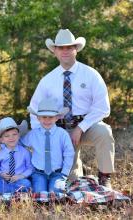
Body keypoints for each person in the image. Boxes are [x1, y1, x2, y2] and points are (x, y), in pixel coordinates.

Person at [29, 29, 115, 188]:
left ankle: (104, 177)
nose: (65, 51)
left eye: (69, 47)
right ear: (54, 51)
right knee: (70, 182)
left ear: (76, 49)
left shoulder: (91, 74)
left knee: (105, 132)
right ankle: (78, 170)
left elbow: (103, 107)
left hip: (87, 125)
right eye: (61, 48)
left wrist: (80, 127)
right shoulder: (47, 80)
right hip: (60, 130)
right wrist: (41, 134)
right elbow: (34, 110)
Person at [21, 98, 75, 192]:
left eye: (51, 117)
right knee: (39, 193)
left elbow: (69, 153)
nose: (47, 120)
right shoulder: (33, 134)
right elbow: (20, 143)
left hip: (58, 173)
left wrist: (65, 173)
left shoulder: (62, 134)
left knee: (55, 192)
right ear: (38, 118)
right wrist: (1, 147)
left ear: (57, 117)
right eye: (44, 117)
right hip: (38, 173)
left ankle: (62, 185)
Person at [0, 117, 33, 193]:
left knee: (26, 183)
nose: (11, 138)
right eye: (7, 136)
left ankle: (4, 192)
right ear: (1, 140)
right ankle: (13, 192)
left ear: (19, 135)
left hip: (18, 179)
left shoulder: (25, 152)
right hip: (3, 179)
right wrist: (1, 174)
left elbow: (30, 168)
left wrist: (20, 176)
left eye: (14, 134)